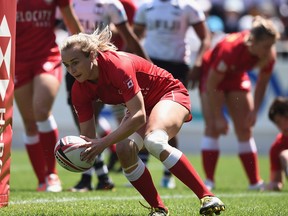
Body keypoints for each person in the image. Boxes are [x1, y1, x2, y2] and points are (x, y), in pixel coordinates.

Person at [60, 27, 225, 216]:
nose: (71, 70)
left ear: (92, 56)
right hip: (141, 105)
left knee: (154, 141)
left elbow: (138, 116)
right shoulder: (78, 90)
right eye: (66, 65)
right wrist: (77, 155)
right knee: (124, 150)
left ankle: (208, 197)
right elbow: (88, 139)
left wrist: (104, 143)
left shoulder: (117, 66)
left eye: (75, 62)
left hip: (169, 94)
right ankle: (159, 209)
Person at [64, 0, 149, 192]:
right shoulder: (70, 3)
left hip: (103, 69)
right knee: (83, 124)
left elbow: (129, 36)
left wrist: (146, 64)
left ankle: (92, 177)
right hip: (76, 66)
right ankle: (100, 176)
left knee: (115, 122)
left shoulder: (111, 4)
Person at [133, 0, 211, 189]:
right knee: (144, 116)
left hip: (176, 67)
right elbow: (134, 37)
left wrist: (199, 63)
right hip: (149, 66)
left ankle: (169, 174)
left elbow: (205, 38)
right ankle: (143, 169)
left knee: (168, 121)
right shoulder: (145, 7)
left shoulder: (187, 7)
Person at [197, 15, 280, 191]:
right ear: (254, 42)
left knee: (245, 128)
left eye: (271, 45)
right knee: (213, 126)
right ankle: (209, 181)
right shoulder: (230, 49)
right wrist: (219, 116)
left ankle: (254, 182)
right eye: (266, 46)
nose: (269, 50)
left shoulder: (268, 55)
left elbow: (263, 84)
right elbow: (212, 84)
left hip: (235, 77)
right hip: (212, 79)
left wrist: (255, 111)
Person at [15, 0, 83, 192]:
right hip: (17, 60)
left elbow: (71, 22)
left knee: (41, 110)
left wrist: (88, 51)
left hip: (46, 56)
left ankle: (52, 175)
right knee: (29, 122)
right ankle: (41, 179)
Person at [266, 97, 288, 191]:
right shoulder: (277, 147)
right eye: (277, 122)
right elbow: (276, 182)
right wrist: (272, 185)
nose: (281, 126)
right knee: (284, 155)